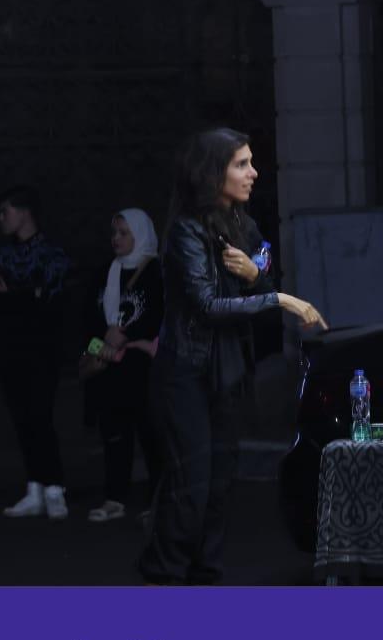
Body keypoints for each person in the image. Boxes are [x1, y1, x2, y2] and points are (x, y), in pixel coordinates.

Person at [138, 128, 327, 585]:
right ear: (212, 173)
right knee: (191, 485)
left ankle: (205, 579)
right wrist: (279, 299)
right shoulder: (186, 230)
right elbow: (206, 307)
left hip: (229, 371)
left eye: (251, 162)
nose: (253, 172)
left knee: (220, 484)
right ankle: (165, 576)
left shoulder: (244, 226)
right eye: (241, 164)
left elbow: (263, 279)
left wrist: (256, 276)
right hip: (187, 371)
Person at [0, 185, 72, 519]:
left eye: (5, 211)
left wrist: (15, 297)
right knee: (22, 419)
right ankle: (35, 487)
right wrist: (25, 296)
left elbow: (50, 300)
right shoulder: (1, 256)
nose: (0, 218)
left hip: (42, 350)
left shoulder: (51, 253)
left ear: (24, 212)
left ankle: (54, 487)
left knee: (40, 416)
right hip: (10, 349)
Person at [80, 208, 164, 523]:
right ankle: (115, 498)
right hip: (109, 369)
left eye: (124, 233)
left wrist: (126, 336)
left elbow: (159, 317)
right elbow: (87, 324)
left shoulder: (156, 273)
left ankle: (158, 501)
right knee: (114, 435)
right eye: (114, 232)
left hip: (144, 370)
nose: (116, 239)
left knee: (151, 435)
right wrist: (101, 346)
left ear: (139, 235)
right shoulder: (105, 273)